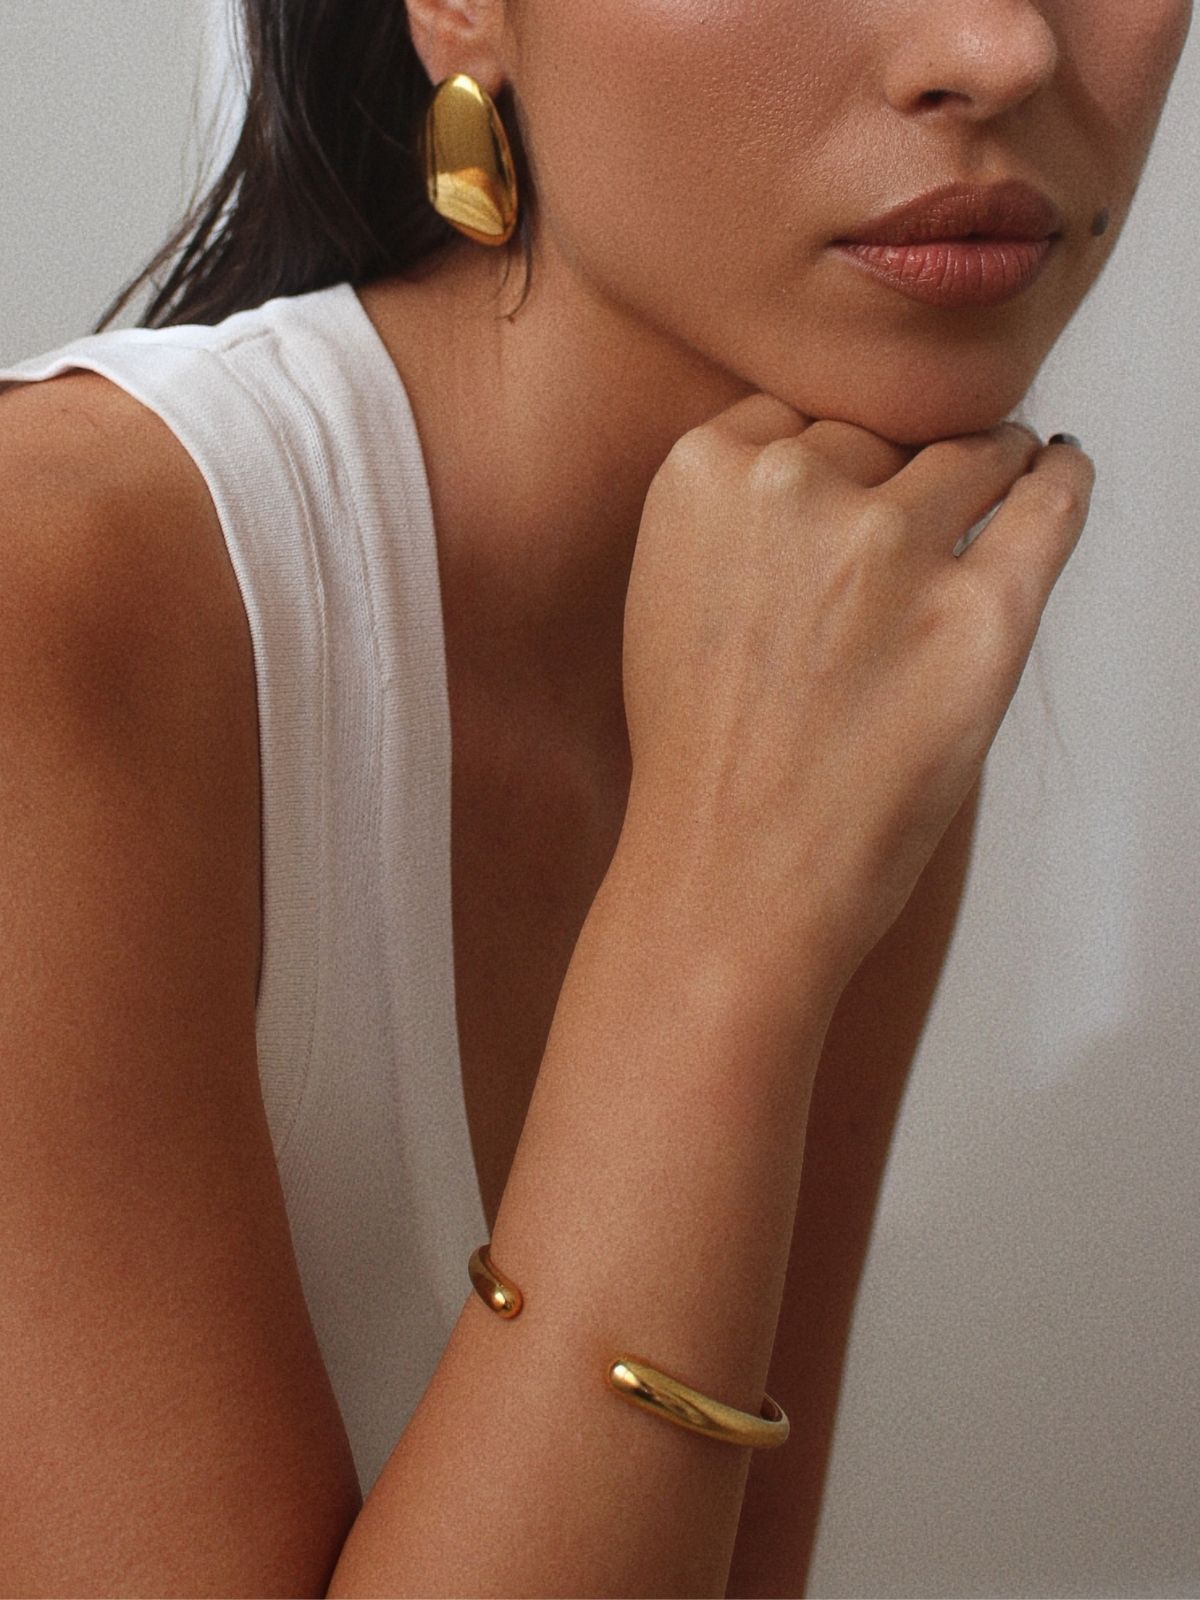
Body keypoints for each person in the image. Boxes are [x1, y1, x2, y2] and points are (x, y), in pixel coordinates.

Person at [0, 1, 1191, 1595]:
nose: (999, 47)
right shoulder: (52, 605)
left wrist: (744, 898)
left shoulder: (818, 649)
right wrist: (719, 929)